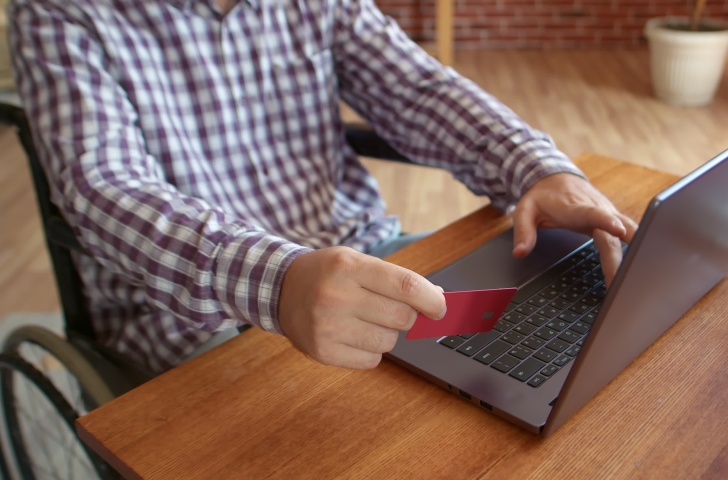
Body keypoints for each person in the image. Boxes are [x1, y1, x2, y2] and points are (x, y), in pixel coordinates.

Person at [8, 0, 637, 374]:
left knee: (565, 343)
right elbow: (103, 186)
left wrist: (536, 166)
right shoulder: (60, 12)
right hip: (199, 318)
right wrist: (276, 280)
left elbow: (417, 89)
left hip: (364, 253)